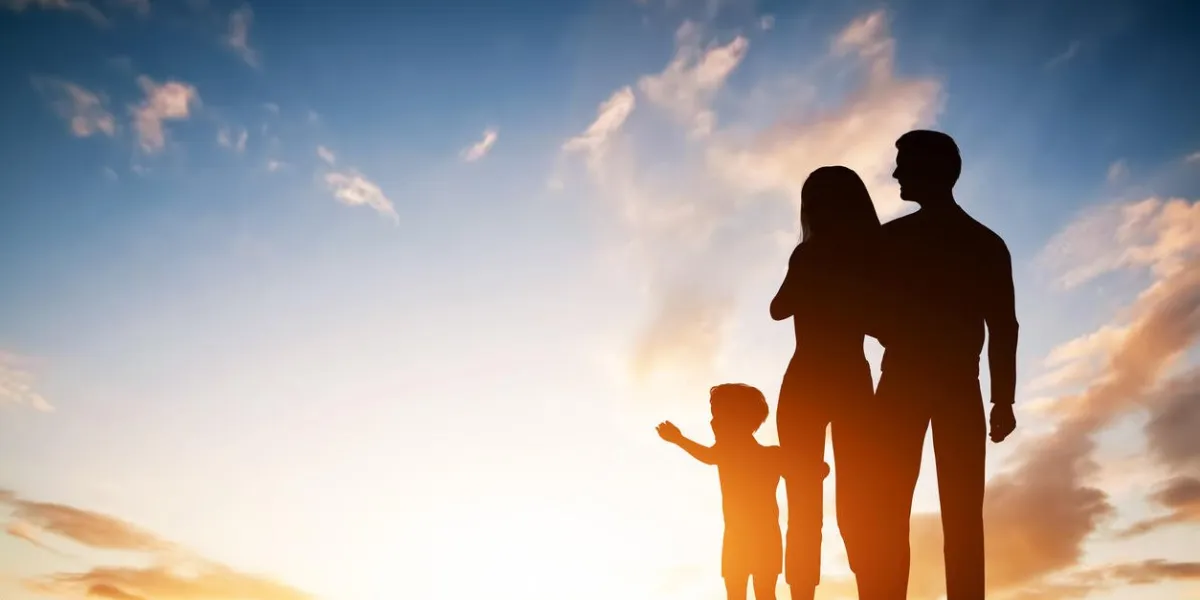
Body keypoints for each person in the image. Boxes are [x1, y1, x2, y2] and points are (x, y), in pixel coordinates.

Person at [869, 130, 1019, 600]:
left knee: (912, 510)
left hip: (928, 386)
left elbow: (1003, 325)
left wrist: (1003, 400)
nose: (896, 172)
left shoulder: (894, 239)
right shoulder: (983, 242)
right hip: (934, 386)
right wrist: (1002, 400)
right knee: (931, 511)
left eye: (904, 163)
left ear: (930, 170)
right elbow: (1004, 327)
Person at [770, 166, 882, 600]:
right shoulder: (869, 257)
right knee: (857, 498)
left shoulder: (808, 255)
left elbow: (779, 308)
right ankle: (871, 587)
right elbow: (880, 324)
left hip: (805, 381)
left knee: (803, 503)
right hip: (850, 379)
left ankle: (803, 592)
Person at [657, 383, 829, 600]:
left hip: (749, 539)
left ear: (740, 420)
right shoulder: (769, 455)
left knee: (752, 592)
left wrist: (679, 440)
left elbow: (707, 456)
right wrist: (817, 469)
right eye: (713, 416)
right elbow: (810, 472)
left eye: (719, 416)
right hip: (746, 538)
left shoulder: (755, 454)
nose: (712, 422)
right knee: (753, 592)